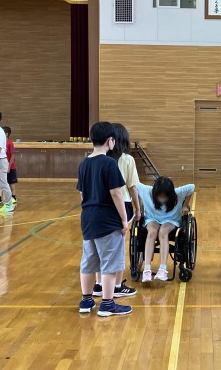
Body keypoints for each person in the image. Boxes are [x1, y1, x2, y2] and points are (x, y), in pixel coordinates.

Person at [77, 122, 132, 317]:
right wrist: (124, 220)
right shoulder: (109, 163)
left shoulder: (84, 163)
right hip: (107, 220)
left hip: (88, 218)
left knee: (89, 261)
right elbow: (116, 193)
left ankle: (86, 300)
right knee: (109, 262)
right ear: (110, 141)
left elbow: (82, 194)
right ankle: (107, 304)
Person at [93, 123, 141, 298]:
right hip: (122, 205)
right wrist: (138, 208)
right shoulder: (127, 159)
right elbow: (132, 187)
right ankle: (118, 286)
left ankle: (99, 284)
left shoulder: (99, 158)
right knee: (118, 248)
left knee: (100, 247)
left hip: (100, 207)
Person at [137, 177, 195, 282]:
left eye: (165, 195)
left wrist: (185, 205)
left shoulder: (178, 193)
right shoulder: (147, 191)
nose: (162, 197)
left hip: (171, 220)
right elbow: (133, 186)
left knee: (163, 232)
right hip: (152, 218)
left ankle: (163, 270)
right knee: (152, 232)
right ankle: (147, 270)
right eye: (160, 195)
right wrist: (137, 208)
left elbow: (192, 187)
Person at [0, 126, 18, 205]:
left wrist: (8, 166)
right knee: (2, 181)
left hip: (10, 166)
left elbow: (13, 155)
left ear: (6, 134)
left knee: (11, 182)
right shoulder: (0, 143)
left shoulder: (9, 143)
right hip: (1, 165)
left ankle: (13, 197)